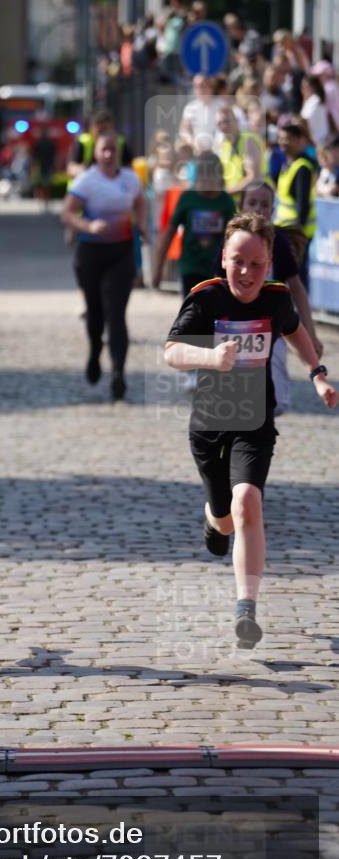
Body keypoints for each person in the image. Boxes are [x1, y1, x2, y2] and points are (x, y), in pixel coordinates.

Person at [164, 212, 337, 649]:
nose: (246, 272)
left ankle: (246, 608)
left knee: (248, 503)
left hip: (254, 422)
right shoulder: (206, 297)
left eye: (256, 264)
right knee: (225, 520)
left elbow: (297, 333)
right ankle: (213, 518)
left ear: (269, 265)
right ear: (224, 257)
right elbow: (171, 352)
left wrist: (317, 373)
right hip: (209, 424)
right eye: (238, 261)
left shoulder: (276, 299)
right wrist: (210, 357)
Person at [215, 179, 323, 414]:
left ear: (272, 210)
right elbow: (216, 289)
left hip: (273, 329)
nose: (258, 209)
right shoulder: (231, 242)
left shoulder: (279, 243)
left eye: (264, 205)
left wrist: (311, 333)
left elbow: (297, 288)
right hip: (236, 327)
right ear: (241, 206)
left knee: (277, 401)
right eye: (252, 202)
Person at [61, 131, 149, 401]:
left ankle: (118, 372)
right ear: (96, 153)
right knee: (96, 314)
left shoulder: (130, 179)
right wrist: (88, 225)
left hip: (121, 253)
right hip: (91, 254)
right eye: (104, 150)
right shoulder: (87, 180)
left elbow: (140, 202)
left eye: (113, 149)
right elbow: (67, 212)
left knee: (116, 312)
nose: (109, 154)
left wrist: (142, 225)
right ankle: (95, 349)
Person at [152, 151, 235, 296]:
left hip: (217, 269)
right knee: (192, 307)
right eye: (202, 173)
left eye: (211, 173)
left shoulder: (226, 201)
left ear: (219, 175)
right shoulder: (188, 198)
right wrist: (158, 269)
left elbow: (234, 237)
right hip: (190, 267)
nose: (206, 178)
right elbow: (169, 233)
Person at [273, 122, 317, 287]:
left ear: (299, 140)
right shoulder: (287, 164)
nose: (282, 142)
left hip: (296, 232)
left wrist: (298, 232)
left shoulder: (302, 167)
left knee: (296, 277)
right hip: (284, 229)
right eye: (280, 138)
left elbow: (302, 205)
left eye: (287, 138)